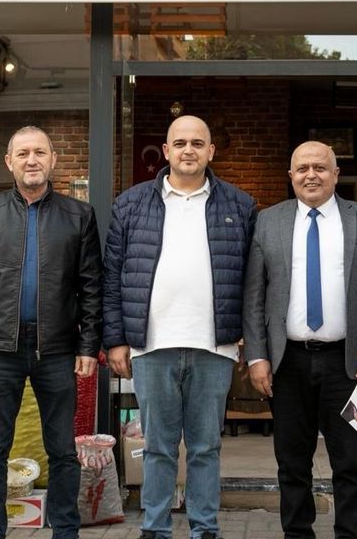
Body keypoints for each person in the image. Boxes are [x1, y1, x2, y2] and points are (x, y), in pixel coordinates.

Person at [102, 115, 257, 539]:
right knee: (157, 446)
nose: (189, 150)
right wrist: (115, 340)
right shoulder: (130, 204)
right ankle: (155, 527)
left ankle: (205, 528)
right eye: (181, 143)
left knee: (206, 446)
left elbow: (253, 278)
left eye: (198, 143)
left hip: (214, 346)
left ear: (211, 151)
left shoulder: (240, 205)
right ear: (167, 151)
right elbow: (112, 275)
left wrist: (250, 336)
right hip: (152, 346)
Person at [0, 126, 103, 539]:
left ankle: (66, 530)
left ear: (53, 160)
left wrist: (88, 344)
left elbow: (91, 285)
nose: (31, 160)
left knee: (63, 448)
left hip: (57, 348)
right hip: (0, 347)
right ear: (9, 162)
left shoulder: (79, 215)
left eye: (39, 152)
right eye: (23, 153)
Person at [242, 141, 357, 539]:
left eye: (320, 167)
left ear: (335, 174)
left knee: (351, 461)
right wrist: (257, 356)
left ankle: (352, 535)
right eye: (302, 168)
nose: (311, 175)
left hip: (352, 366)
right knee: (292, 461)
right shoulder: (268, 222)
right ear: (291, 175)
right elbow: (254, 296)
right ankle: (297, 533)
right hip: (287, 364)